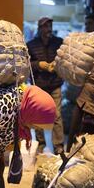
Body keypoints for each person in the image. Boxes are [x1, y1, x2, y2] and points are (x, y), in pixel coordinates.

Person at [27, 17, 64, 155]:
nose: (48, 29)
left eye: (50, 26)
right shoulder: (31, 45)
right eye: (45, 26)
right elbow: (27, 64)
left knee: (57, 115)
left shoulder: (59, 42)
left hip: (55, 84)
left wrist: (57, 64)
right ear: (39, 28)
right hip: (39, 85)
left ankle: (59, 145)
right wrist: (39, 65)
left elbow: (64, 59)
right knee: (38, 115)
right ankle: (41, 144)